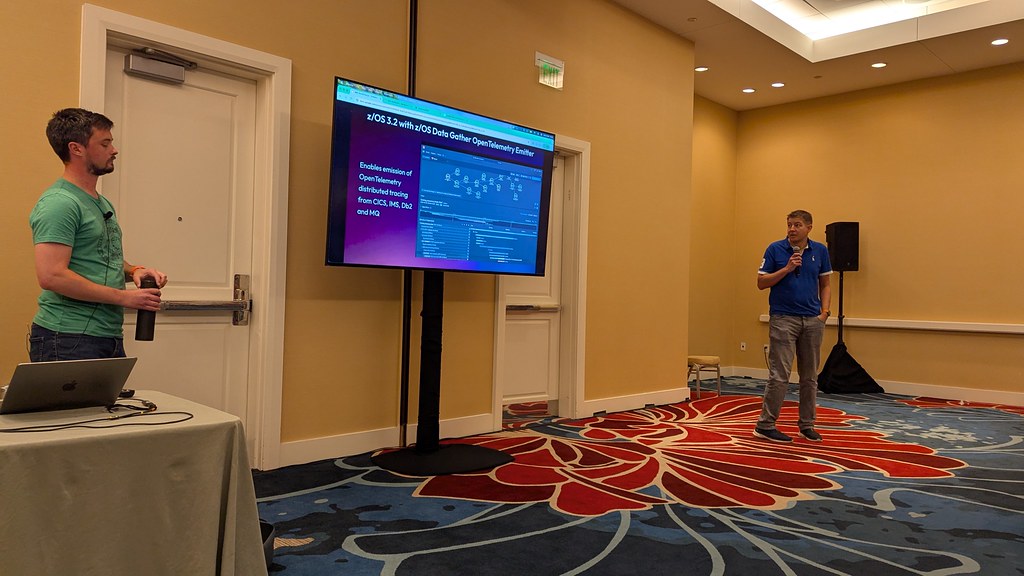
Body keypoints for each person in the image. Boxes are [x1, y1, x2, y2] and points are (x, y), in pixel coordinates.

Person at [28, 108, 168, 361]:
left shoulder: (100, 202)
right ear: (76, 149)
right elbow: (51, 276)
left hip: (105, 335)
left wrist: (135, 271)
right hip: (68, 337)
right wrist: (125, 298)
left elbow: (101, 257)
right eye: (105, 144)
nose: (114, 150)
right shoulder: (59, 203)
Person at [753, 210, 832, 443]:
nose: (791, 229)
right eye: (789, 224)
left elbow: (825, 284)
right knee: (780, 375)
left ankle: (807, 425)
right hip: (783, 319)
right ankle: (765, 425)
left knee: (810, 377)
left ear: (809, 227)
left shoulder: (820, 251)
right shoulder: (775, 249)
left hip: (812, 320)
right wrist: (786, 268)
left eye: (797, 225)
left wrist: (824, 313)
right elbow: (761, 282)